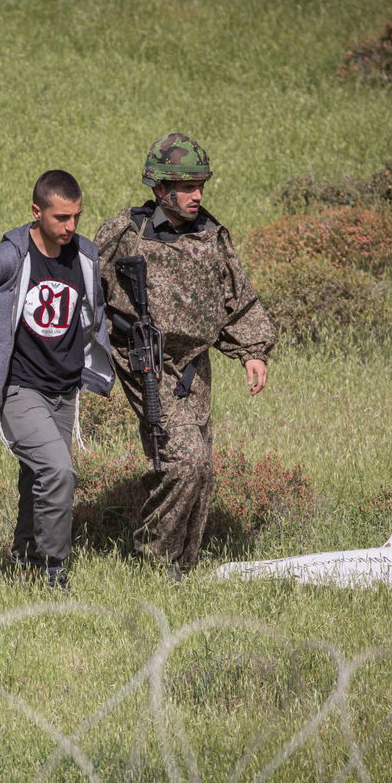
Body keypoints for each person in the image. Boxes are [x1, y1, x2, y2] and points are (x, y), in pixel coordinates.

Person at [93, 133, 276, 578]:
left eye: (201, 186)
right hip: (145, 360)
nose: (198, 196)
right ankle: (153, 563)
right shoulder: (126, 233)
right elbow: (84, 286)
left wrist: (252, 351)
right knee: (184, 459)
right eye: (188, 187)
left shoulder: (212, 235)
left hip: (194, 364)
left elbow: (238, 297)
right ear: (160, 189)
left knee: (202, 469)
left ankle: (183, 566)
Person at [0, 170, 114, 589]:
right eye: (61, 217)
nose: (70, 226)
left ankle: (27, 560)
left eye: (76, 216)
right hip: (19, 389)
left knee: (38, 478)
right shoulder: (9, 257)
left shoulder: (85, 256)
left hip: (65, 389)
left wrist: (91, 365)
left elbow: (94, 313)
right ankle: (54, 569)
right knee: (59, 471)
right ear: (37, 212)